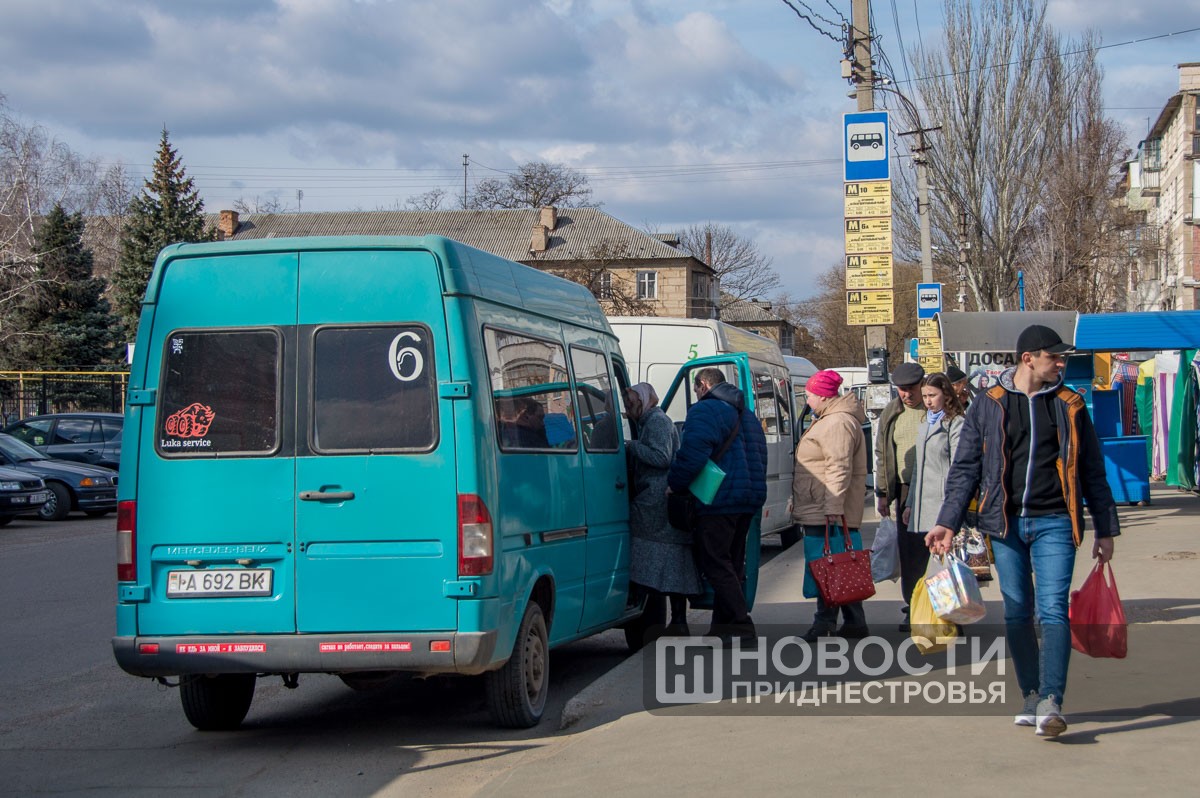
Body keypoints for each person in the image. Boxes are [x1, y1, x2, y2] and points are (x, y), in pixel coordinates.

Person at [925, 324, 1119, 739]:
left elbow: (1092, 470)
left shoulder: (1070, 404)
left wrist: (1105, 529)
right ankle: (1030, 695)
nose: (1061, 364)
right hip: (1005, 524)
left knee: (1053, 610)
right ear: (1028, 358)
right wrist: (947, 521)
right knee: (1016, 612)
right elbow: (966, 468)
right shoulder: (990, 403)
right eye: (1054, 357)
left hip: (1055, 522)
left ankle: (1051, 700)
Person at [667, 367, 768, 643]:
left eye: (696, 388)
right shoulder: (747, 415)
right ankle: (722, 629)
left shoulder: (704, 410)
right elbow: (761, 454)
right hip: (748, 498)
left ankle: (742, 626)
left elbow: (692, 455)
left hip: (718, 499)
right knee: (732, 564)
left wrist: (674, 484)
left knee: (715, 564)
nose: (697, 394)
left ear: (702, 385)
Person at [791, 369, 869, 642]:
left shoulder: (836, 422)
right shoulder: (833, 419)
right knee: (839, 564)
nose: (807, 400)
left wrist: (833, 506)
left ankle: (824, 624)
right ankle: (854, 622)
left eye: (810, 395)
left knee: (827, 566)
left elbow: (839, 466)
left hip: (827, 509)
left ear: (823, 396)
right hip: (824, 505)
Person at [625, 382, 702, 633]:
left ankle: (652, 612)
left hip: (657, 502)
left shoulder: (656, 421)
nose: (628, 408)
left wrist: (631, 446)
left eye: (631, 403)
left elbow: (661, 457)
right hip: (659, 502)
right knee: (672, 564)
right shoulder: (651, 421)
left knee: (651, 555)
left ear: (643, 401)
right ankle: (677, 620)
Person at [900, 372, 966, 631]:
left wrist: (953, 504)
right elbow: (918, 468)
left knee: (944, 563)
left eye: (933, 395)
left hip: (942, 502)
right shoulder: (925, 422)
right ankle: (931, 615)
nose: (927, 401)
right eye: (925, 396)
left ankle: (952, 617)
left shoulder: (955, 423)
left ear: (946, 395)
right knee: (926, 563)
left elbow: (960, 466)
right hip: (921, 503)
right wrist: (909, 504)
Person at [873, 361, 926, 624]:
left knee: (936, 552)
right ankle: (914, 606)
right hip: (904, 490)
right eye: (902, 390)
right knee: (910, 553)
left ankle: (943, 607)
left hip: (933, 488)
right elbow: (882, 453)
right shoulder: (892, 412)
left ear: (922, 385)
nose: (907, 394)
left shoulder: (934, 407)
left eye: (911, 389)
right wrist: (883, 492)